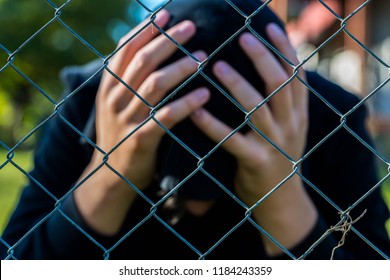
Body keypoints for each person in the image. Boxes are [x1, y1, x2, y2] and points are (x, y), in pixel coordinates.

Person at [1, 0, 389, 260]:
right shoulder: (93, 101)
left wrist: (282, 200)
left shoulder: (332, 117)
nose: (199, 206)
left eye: (228, 164)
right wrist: (111, 176)